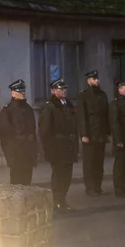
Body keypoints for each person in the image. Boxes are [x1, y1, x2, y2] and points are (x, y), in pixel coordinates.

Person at [39, 79, 77, 212]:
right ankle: (56, 202)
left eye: (65, 89)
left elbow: (74, 127)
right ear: (54, 91)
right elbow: (45, 131)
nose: (64, 91)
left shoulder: (69, 105)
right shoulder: (50, 107)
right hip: (57, 147)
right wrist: (48, 150)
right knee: (58, 176)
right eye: (60, 89)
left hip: (68, 146)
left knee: (67, 175)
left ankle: (63, 200)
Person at [0, 79, 38, 186]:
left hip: (28, 153)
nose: (23, 93)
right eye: (20, 92)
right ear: (13, 93)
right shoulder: (8, 111)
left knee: (27, 183)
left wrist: (34, 150)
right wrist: (10, 155)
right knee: (16, 184)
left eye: (23, 91)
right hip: (17, 153)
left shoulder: (28, 108)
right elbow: (5, 136)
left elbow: (33, 131)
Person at [76, 70, 109, 197]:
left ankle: (98, 186)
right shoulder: (83, 96)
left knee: (98, 162)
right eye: (93, 79)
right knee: (89, 162)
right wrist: (84, 134)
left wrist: (107, 132)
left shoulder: (102, 95)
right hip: (89, 133)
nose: (96, 81)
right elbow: (81, 116)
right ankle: (90, 188)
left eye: (96, 78)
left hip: (100, 133)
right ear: (88, 81)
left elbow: (106, 114)